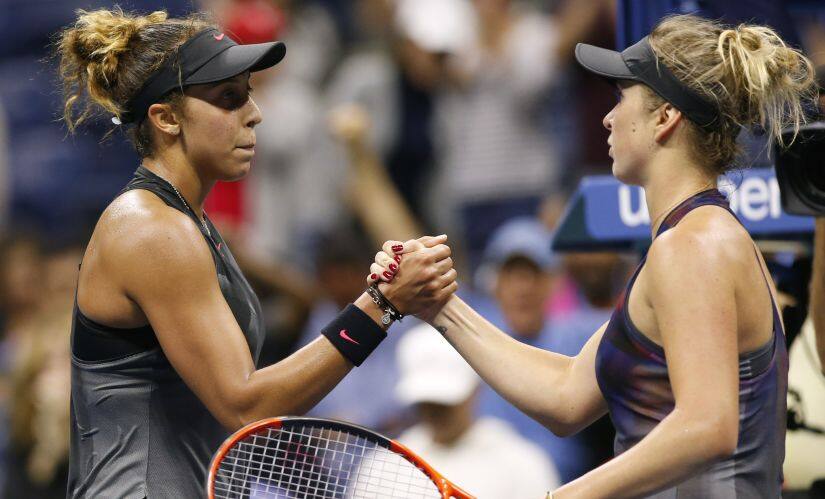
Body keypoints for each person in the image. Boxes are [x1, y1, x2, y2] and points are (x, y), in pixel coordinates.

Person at [371, 14, 818, 497]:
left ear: (665, 118)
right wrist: (439, 306)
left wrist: (565, 496)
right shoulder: (690, 240)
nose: (607, 117)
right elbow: (565, 397)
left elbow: (708, 425)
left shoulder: (694, 245)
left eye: (622, 97)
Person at [55, 8, 456, 497]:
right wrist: (380, 306)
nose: (254, 112)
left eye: (247, 92)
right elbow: (246, 406)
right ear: (165, 118)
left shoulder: (190, 224)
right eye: (229, 98)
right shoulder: (150, 230)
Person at [395, 323, 560, 497]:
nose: (435, 411)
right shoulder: (387, 462)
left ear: (476, 390)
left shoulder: (521, 462)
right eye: (427, 400)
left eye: (446, 402)